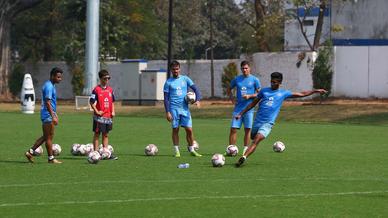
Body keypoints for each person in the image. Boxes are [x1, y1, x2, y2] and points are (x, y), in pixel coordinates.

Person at [235, 72, 327, 167]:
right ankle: (247, 151)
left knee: (256, 140)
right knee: (253, 137)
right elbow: (252, 104)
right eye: (271, 81)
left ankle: (244, 157)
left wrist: (315, 91)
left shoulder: (283, 93)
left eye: (275, 82)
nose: (272, 84)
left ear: (280, 83)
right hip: (258, 121)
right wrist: (241, 114)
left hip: (268, 123)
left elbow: (301, 94)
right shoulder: (263, 91)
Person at [163, 60, 202, 157]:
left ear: (179, 69)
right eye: (173, 69)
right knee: (175, 129)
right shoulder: (168, 82)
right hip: (174, 109)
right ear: (171, 70)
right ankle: (177, 151)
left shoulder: (185, 79)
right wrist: (168, 112)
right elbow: (166, 99)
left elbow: (196, 90)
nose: (175, 71)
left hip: (185, 109)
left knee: (189, 129)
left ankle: (192, 149)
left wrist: (197, 100)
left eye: (177, 69)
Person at [25, 67, 64, 164]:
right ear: (52, 76)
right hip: (47, 115)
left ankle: (30, 152)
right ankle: (51, 158)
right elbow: (47, 102)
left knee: (46, 136)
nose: (60, 79)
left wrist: (54, 114)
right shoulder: (49, 86)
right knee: (49, 137)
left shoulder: (51, 85)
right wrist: (53, 115)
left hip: (48, 114)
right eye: (58, 77)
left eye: (60, 77)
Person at [227, 60, 261, 154]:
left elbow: (259, 93)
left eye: (246, 68)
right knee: (233, 129)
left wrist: (250, 96)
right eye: (243, 68)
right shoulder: (237, 79)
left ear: (249, 68)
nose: (244, 70)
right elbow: (229, 89)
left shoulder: (255, 80)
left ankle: (245, 149)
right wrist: (232, 99)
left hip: (249, 109)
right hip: (238, 109)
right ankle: (231, 149)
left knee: (247, 129)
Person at [89, 69, 118, 160]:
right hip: (99, 117)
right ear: (100, 79)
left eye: (108, 78)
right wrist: (97, 111)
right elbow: (91, 102)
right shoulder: (96, 90)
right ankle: (96, 153)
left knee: (105, 134)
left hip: (108, 116)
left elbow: (112, 102)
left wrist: (113, 111)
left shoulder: (110, 90)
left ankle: (106, 154)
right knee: (97, 133)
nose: (107, 80)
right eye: (105, 78)